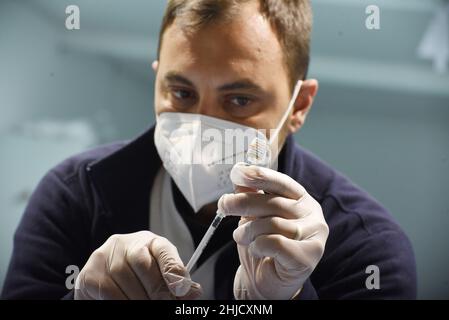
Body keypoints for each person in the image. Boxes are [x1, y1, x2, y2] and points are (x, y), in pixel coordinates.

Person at [1, 0, 416, 300]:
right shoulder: (72, 195)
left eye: (238, 100)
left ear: (299, 105)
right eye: (181, 92)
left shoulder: (368, 250)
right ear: (157, 81)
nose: (200, 128)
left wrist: (281, 299)